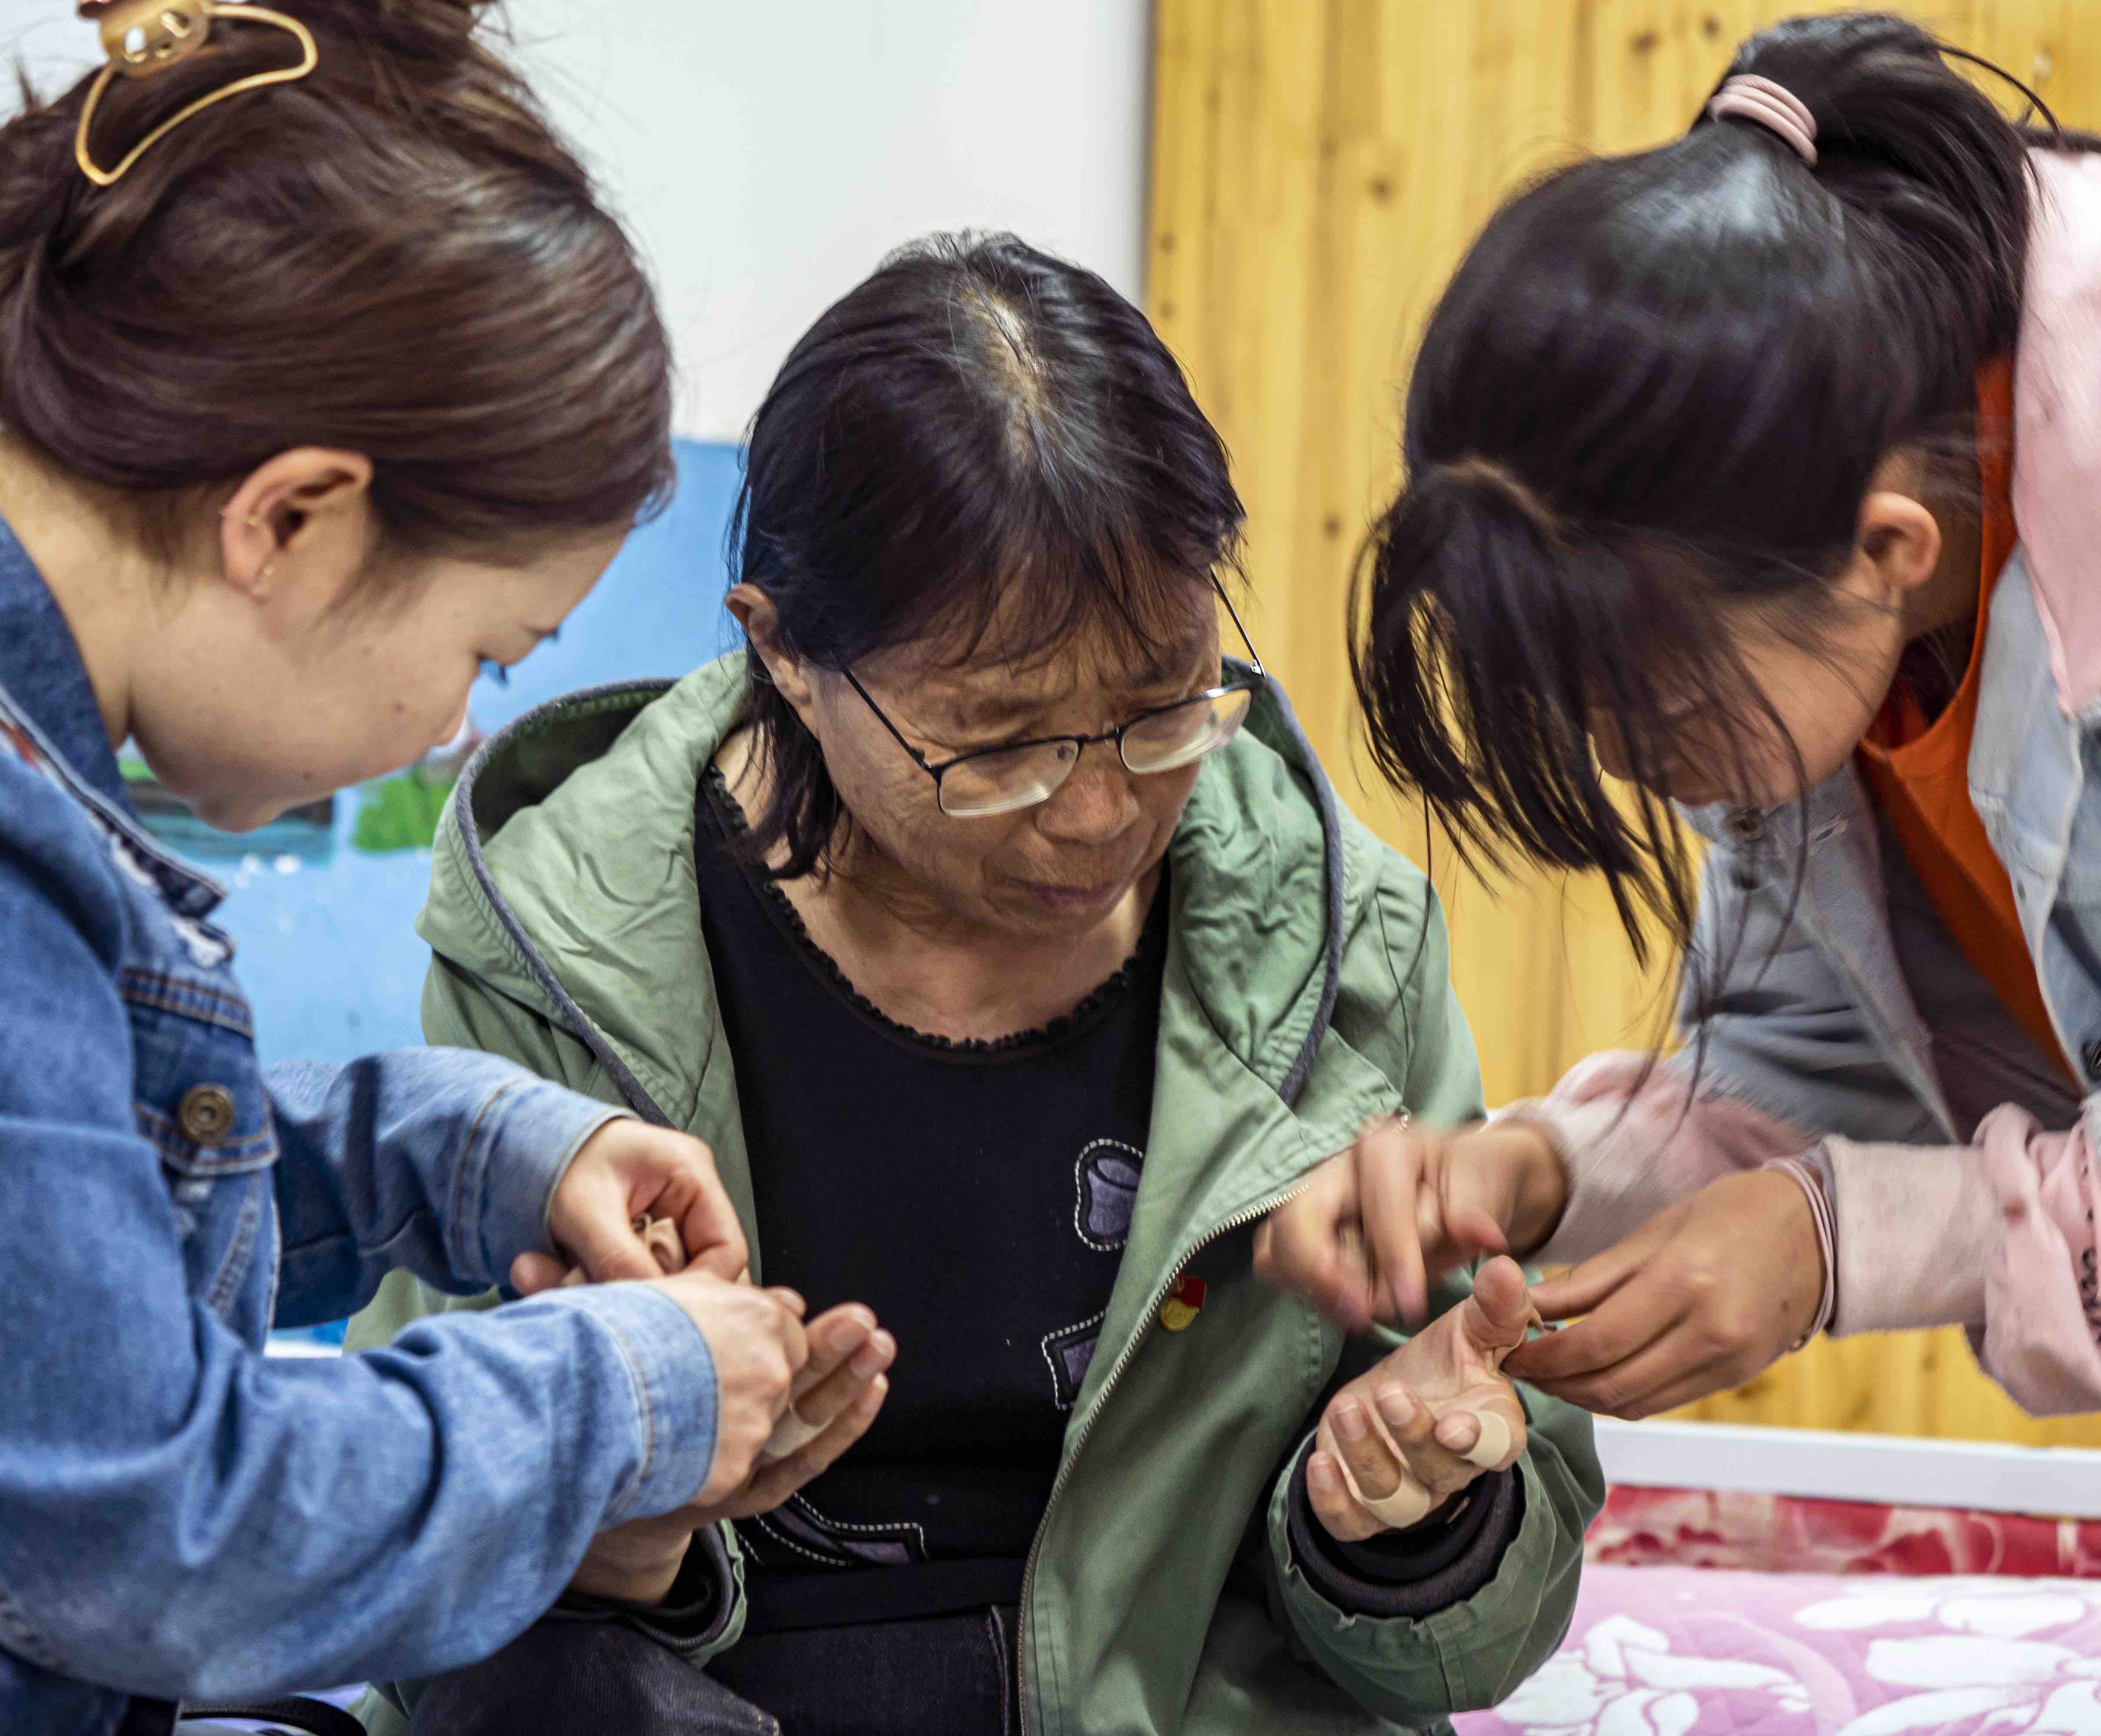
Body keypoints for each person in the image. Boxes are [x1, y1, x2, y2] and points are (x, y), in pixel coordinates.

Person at [1252, 13, 2101, 1731]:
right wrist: (1532, 1172)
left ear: (1892, 545)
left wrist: (1834, 1245)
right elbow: (1812, 1065)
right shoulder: (1813, 566)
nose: (1631, 766)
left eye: (1654, 714)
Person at [347, 231, 1602, 1736]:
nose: (1099, 815)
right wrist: (613, 1541)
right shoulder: (565, 948)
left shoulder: (1339, 948)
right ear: (785, 654)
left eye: (1162, 708)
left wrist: (1404, 1524)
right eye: (999, 745)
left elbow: (1464, 1629)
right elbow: (424, 1574)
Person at [0, 3, 875, 1730]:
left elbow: (31, 1221)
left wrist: (480, 1154)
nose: (458, 726)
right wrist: (624, 1391)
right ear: (295, 520)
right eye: (485, 653)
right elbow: (147, 1524)